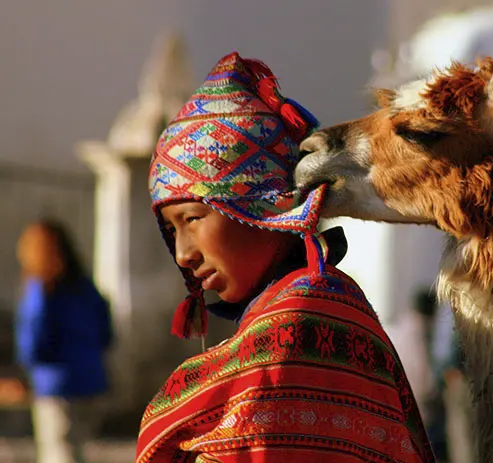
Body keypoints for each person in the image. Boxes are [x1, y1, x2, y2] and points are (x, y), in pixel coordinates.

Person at [135, 52, 435, 462]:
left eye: (192, 218)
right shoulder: (310, 305)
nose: (184, 253)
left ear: (258, 205)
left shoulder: (298, 322)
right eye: (172, 230)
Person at [15, 220, 113, 463]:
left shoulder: (42, 292)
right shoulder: (86, 288)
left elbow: (32, 343)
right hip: (90, 380)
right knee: (75, 450)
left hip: (58, 386)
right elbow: (106, 333)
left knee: (60, 453)